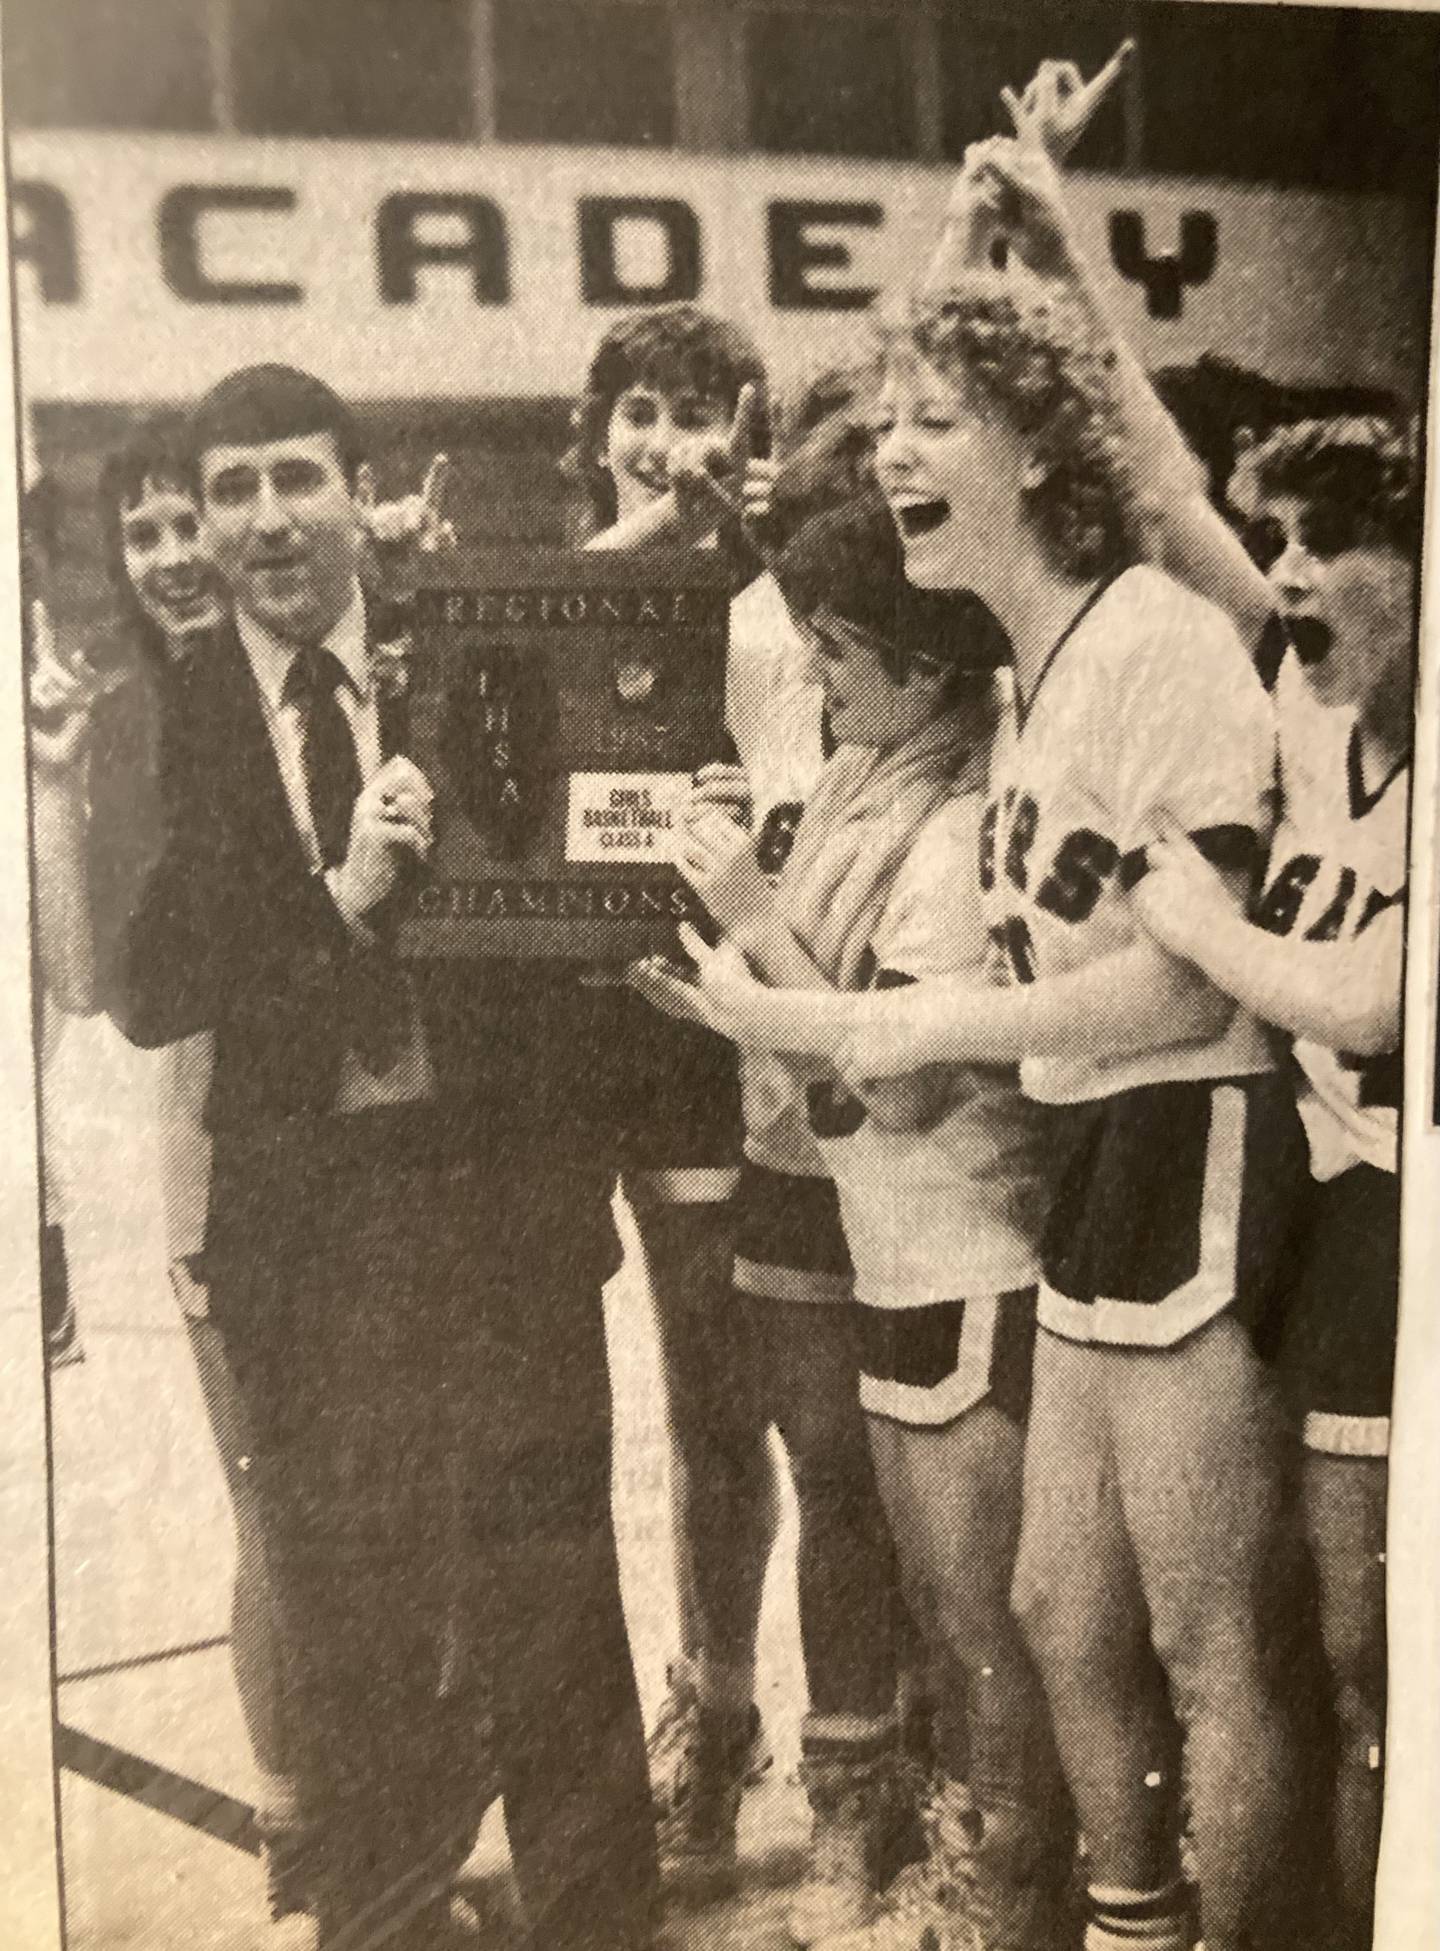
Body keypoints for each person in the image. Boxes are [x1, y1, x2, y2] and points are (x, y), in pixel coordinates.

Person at [665, 133, 1313, 1951]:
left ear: (1036, 452)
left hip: (1199, 1143)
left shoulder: (1166, 642)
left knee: (1206, 1645)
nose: (893, 453)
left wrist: (831, 1007)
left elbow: (1192, 993)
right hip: (1094, 1167)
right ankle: (1119, 1916)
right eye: (895, 423)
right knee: (1054, 1610)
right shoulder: (1029, 680)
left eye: (935, 424)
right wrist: (971, 247)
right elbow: (836, 467)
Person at [120, 364, 656, 1951]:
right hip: (311, 1228)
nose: (267, 519)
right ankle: (387, 1926)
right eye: (233, 491)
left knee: (554, 1594)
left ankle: (603, 1929)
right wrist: (336, 898)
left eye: (296, 477)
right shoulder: (179, 708)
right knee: (354, 1624)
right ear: (205, 527)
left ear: (359, 492)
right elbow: (149, 982)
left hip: (500, 1199)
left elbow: (587, 851)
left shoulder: (471, 641)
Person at [641, 494, 1080, 1951]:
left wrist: (751, 917)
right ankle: (911, 1837)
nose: (812, 678)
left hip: (940, 1222)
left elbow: (892, 1071)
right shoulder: (862, 770)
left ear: (924, 663)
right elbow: (800, 1004)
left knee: (963, 1585)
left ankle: (989, 1871)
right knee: (880, 1531)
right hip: (847, 1202)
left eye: (836, 651)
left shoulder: (959, 817)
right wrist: (708, 958)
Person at [1134, 414, 1416, 1951]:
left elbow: (1377, 1002)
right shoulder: (1316, 709)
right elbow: (1171, 494)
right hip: (1311, 1204)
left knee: (1374, 1654)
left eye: (1328, 541)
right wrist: (1044, 236)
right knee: (1299, 1643)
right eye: (1283, 540)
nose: (1289, 574)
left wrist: (1199, 926)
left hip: (1400, 1222)